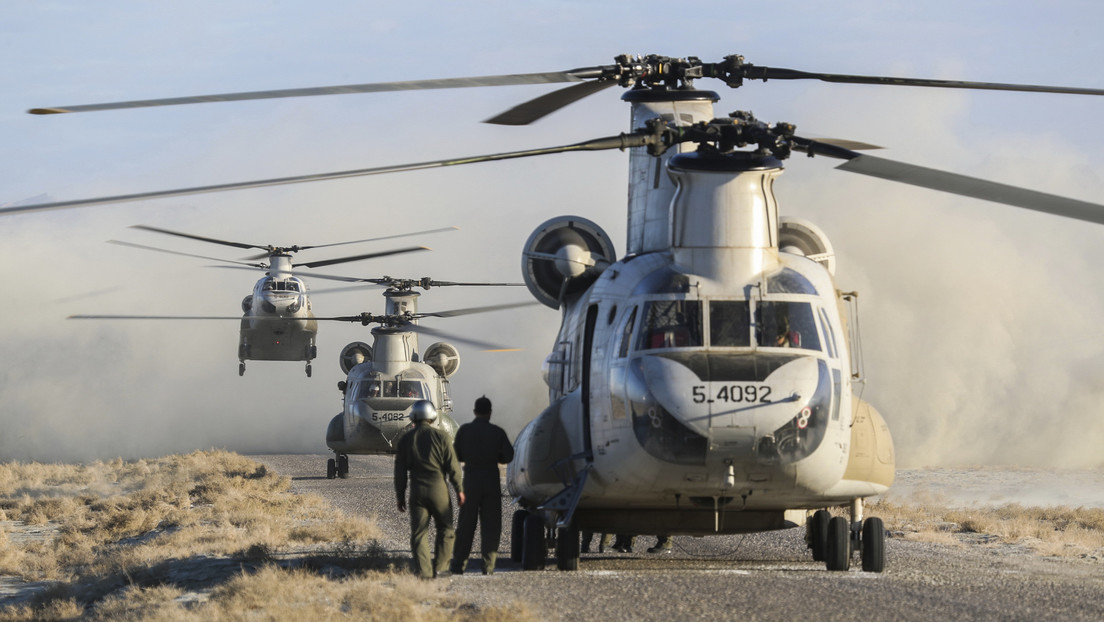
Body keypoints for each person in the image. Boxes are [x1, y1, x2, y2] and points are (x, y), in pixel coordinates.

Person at [394, 400, 465, 579]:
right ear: (432, 416)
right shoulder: (443, 437)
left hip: (417, 489)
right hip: (438, 488)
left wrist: (400, 496)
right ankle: (441, 568)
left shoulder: (406, 439)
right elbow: (453, 467)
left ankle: (424, 572)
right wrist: (459, 489)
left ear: (414, 417)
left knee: (419, 533)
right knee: (446, 529)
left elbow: (400, 472)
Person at [449, 395, 515, 575]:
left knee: (466, 525)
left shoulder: (465, 430)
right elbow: (508, 456)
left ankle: (458, 564)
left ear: (474, 412)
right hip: (491, 481)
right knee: (491, 526)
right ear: (490, 413)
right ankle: (488, 566)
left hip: (470, 480)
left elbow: (457, 454)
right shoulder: (497, 432)